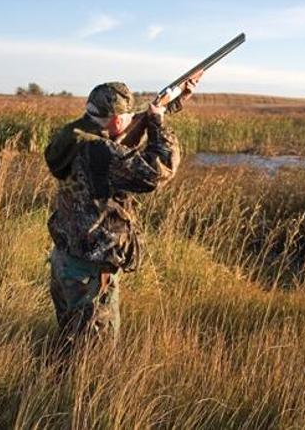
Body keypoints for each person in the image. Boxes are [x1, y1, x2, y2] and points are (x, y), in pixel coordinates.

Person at [43, 79, 196, 342]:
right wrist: (158, 122)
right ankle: (83, 385)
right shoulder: (102, 151)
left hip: (65, 260)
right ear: (115, 121)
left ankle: (58, 381)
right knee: (94, 357)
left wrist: (171, 104)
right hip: (91, 272)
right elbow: (158, 169)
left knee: (71, 341)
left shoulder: (75, 136)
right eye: (126, 116)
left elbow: (121, 146)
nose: (130, 119)